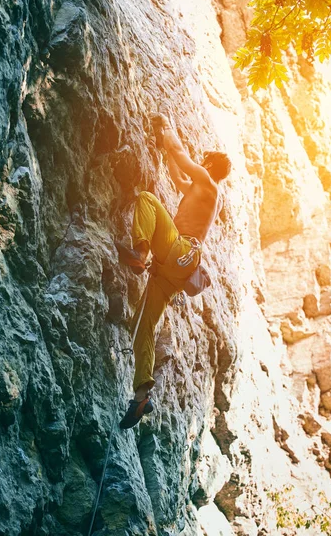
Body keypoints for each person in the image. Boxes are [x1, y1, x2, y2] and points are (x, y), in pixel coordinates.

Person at [116, 113, 231, 429]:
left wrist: (167, 125)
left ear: (208, 165)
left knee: (148, 200)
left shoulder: (208, 182)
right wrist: (164, 148)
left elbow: (179, 155)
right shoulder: (202, 190)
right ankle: (142, 395)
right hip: (174, 270)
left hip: (179, 252)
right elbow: (175, 169)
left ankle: (140, 253)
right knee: (144, 326)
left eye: (204, 160)